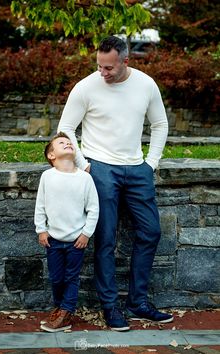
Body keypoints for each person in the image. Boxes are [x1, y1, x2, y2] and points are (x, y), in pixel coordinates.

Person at [57, 35, 173, 331]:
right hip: (101, 169)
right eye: (99, 66)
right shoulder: (86, 87)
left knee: (151, 231)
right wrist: (84, 165)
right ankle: (110, 307)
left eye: (109, 68)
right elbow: (66, 128)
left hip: (137, 169)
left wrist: (151, 163)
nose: (103, 73)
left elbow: (160, 124)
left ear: (125, 61)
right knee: (105, 239)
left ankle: (138, 302)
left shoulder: (146, 84)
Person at [34, 132, 99, 332]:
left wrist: (86, 234)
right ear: (51, 155)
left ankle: (66, 313)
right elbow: (40, 206)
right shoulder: (48, 176)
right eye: (61, 143)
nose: (68, 144)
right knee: (56, 277)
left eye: (70, 142)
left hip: (75, 241)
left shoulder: (84, 178)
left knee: (71, 277)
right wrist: (41, 230)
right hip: (53, 239)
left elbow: (93, 208)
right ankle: (59, 307)